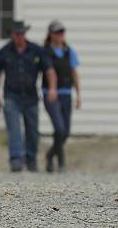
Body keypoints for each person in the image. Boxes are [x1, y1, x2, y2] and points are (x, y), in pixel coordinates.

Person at [0, 20, 57, 172]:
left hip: (31, 96)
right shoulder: (4, 51)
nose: (19, 37)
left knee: (33, 130)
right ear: (13, 35)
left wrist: (52, 88)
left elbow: (49, 70)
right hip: (11, 96)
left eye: (21, 34)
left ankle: (31, 158)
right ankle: (16, 159)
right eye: (16, 34)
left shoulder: (36, 50)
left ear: (25, 34)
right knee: (14, 128)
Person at [42, 20, 81, 173]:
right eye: (57, 32)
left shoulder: (69, 51)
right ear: (51, 35)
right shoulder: (45, 52)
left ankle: (50, 154)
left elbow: (74, 74)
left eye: (62, 32)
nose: (60, 35)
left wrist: (78, 94)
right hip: (50, 94)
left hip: (66, 93)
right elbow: (47, 71)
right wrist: (51, 89)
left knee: (65, 131)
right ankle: (61, 161)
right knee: (59, 128)